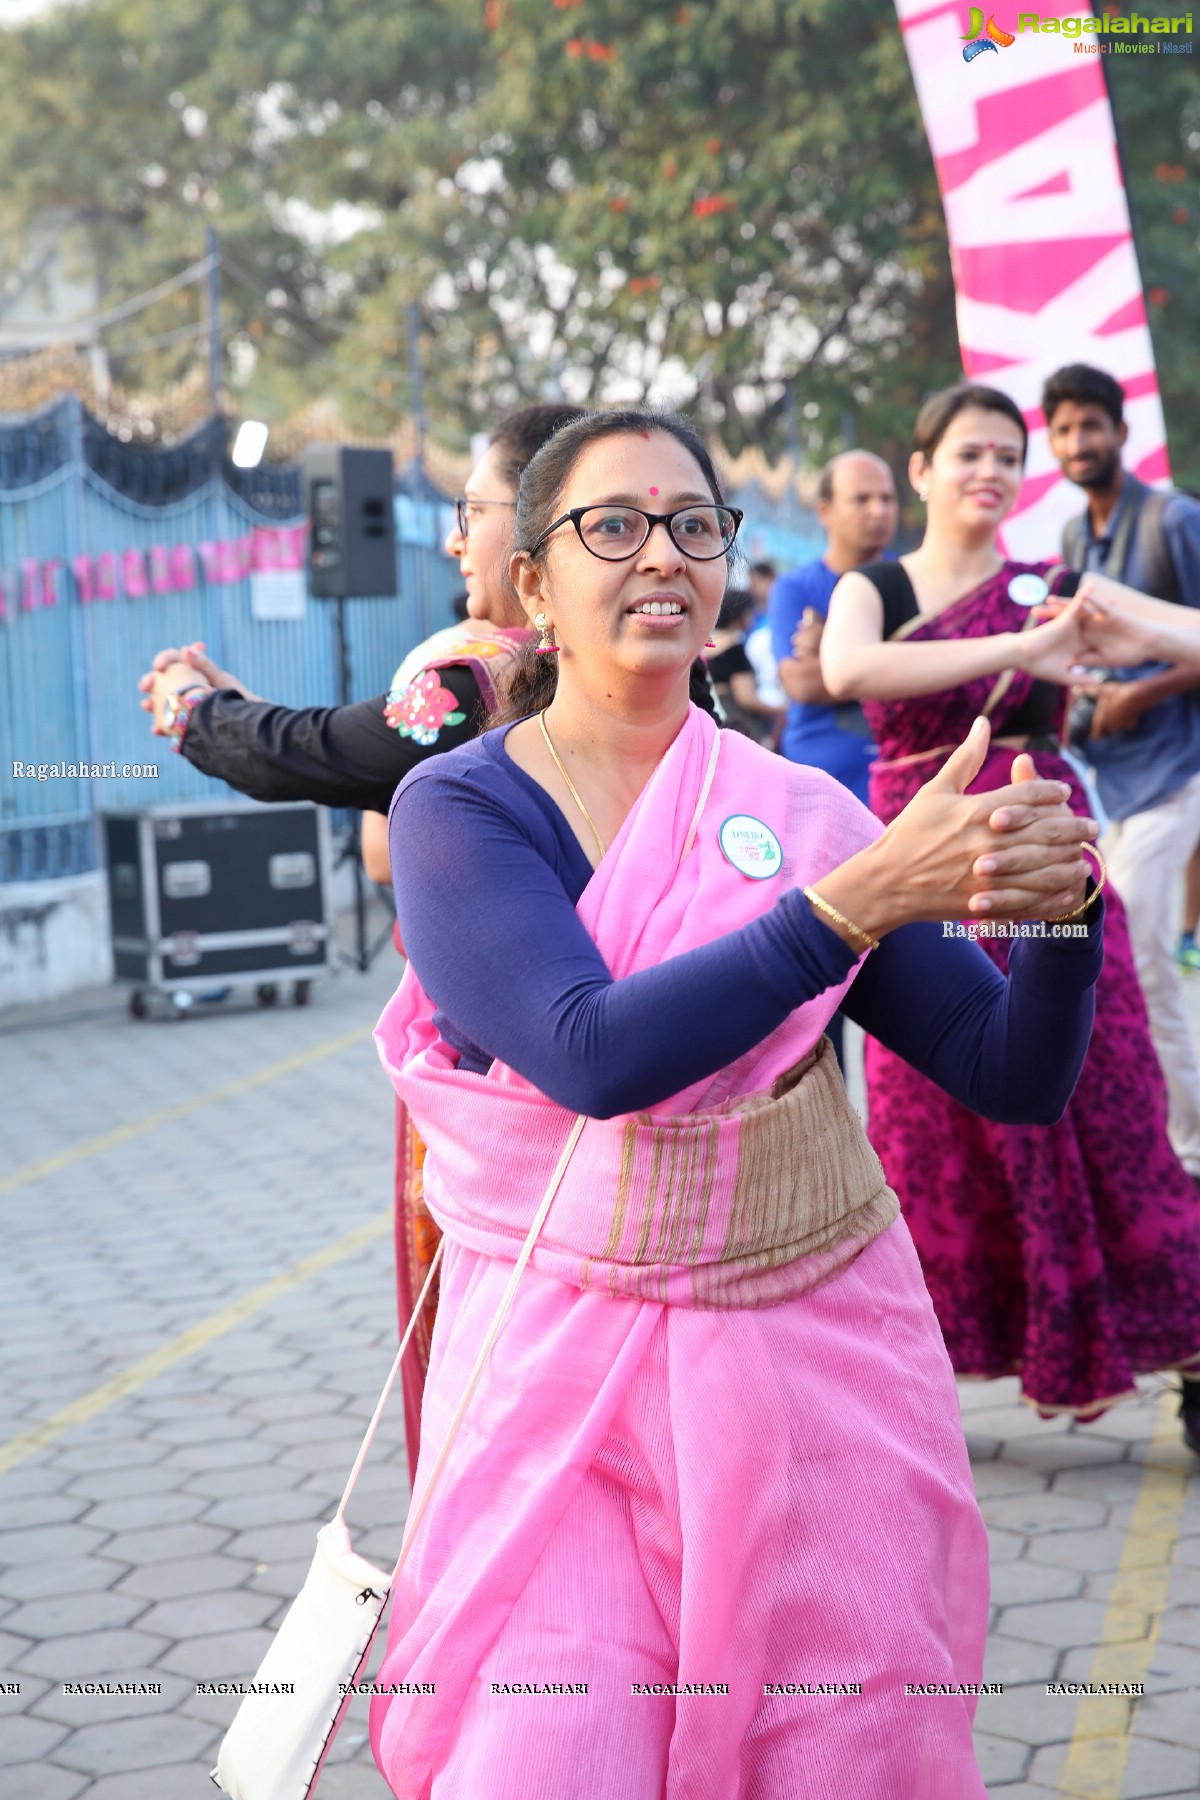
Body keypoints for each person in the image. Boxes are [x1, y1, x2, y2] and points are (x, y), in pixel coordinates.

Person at [368, 406, 1106, 1798]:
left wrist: (1062, 910)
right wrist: (847, 911)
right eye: (613, 526)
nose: (662, 555)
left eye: (693, 525)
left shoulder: (798, 813)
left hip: (812, 1364)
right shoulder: (459, 813)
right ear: (533, 582)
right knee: (552, 1748)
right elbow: (592, 1056)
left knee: (830, 1748)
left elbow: (1013, 1074)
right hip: (559, 1383)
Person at [138, 402, 585, 1481]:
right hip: (621, 1051)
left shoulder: (482, 675)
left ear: (529, 545)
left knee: (491, 1339)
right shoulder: (646, 674)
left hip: (502, 1078)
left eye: (468, 511)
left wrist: (198, 713)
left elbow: (323, 754)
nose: (448, 538)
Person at [821, 380, 1200, 1446]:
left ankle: (1188, 1343)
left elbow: (1188, 632)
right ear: (922, 469)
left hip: (1045, 865)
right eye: (969, 453)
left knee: (1106, 1094)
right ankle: (908, 1375)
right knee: (924, 1129)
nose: (989, 471)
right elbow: (853, 669)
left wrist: (1098, 642)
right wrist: (1019, 655)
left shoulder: (1056, 589)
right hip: (921, 877)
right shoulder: (875, 587)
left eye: (1006, 456)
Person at [1044, 362, 1200, 1177]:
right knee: (1120, 966)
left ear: (1120, 431)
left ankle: (1188, 1150)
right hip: (1106, 781)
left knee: (1142, 965)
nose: (1079, 443)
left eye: (1090, 426)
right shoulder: (1076, 541)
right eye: (1064, 429)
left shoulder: (1173, 519)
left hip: (1177, 774)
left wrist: (1140, 698)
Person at [769, 451, 899, 807]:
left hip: (905, 785)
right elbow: (803, 683)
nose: (879, 510)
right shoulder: (794, 588)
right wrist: (905, 658)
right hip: (821, 793)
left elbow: (942, 672)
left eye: (887, 498)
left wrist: (832, 646)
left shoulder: (914, 580)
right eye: (862, 499)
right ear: (825, 512)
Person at [703, 585, 779, 739]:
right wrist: (782, 709)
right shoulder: (734, 648)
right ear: (740, 615)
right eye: (750, 612)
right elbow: (746, 698)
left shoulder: (706, 643)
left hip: (711, 721)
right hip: (739, 727)